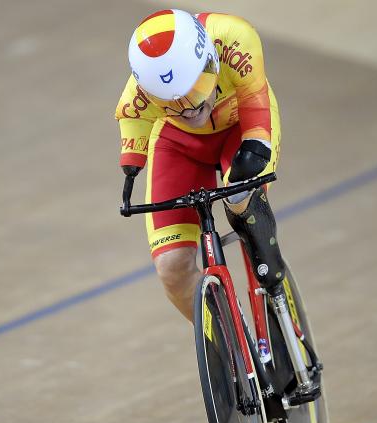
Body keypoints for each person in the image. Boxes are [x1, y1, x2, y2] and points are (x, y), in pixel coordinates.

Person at [115, 9, 287, 322]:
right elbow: (132, 122)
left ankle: (272, 278)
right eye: (171, 102)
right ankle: (231, 344)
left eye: (194, 92)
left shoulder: (235, 37)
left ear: (209, 60)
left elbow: (254, 97)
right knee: (172, 268)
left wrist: (256, 147)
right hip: (179, 145)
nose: (189, 108)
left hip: (240, 122)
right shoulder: (136, 96)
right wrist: (131, 169)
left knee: (241, 200)